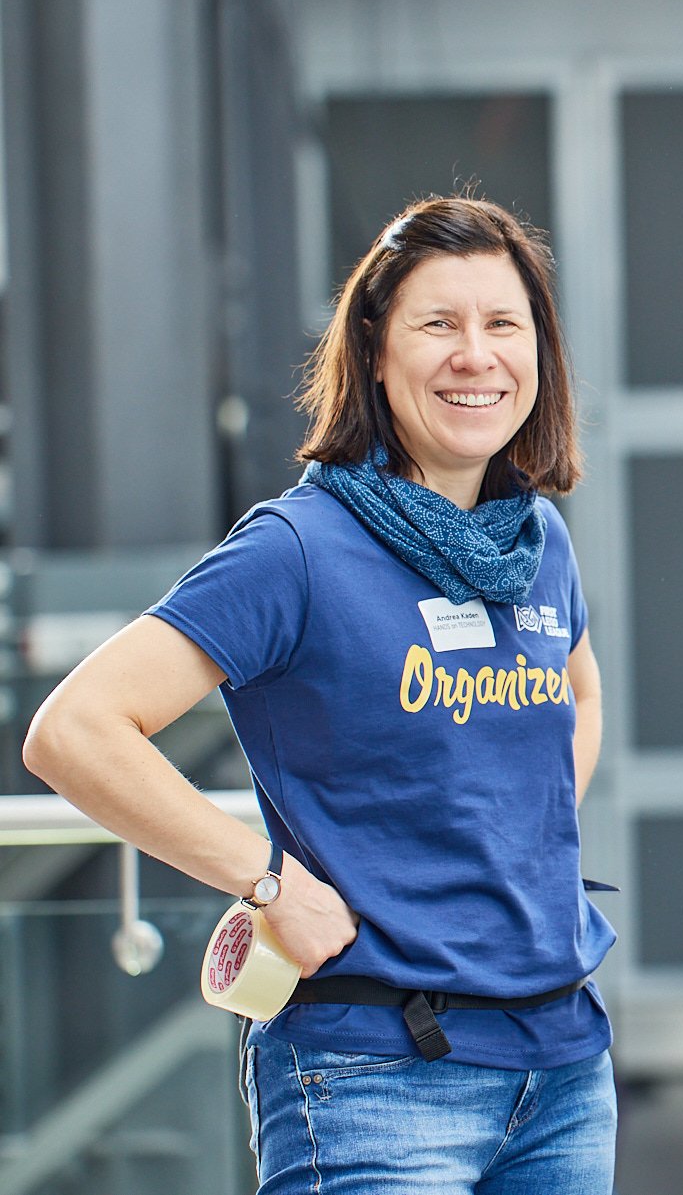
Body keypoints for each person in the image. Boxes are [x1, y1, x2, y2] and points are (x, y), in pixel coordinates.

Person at [25, 196, 617, 1194]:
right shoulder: (300, 548)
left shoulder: (532, 542)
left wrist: (519, 843)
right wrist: (268, 883)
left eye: (503, 324)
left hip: (562, 1067)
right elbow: (73, 730)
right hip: (376, 1072)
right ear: (377, 355)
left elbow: (578, 695)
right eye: (440, 324)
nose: (477, 354)